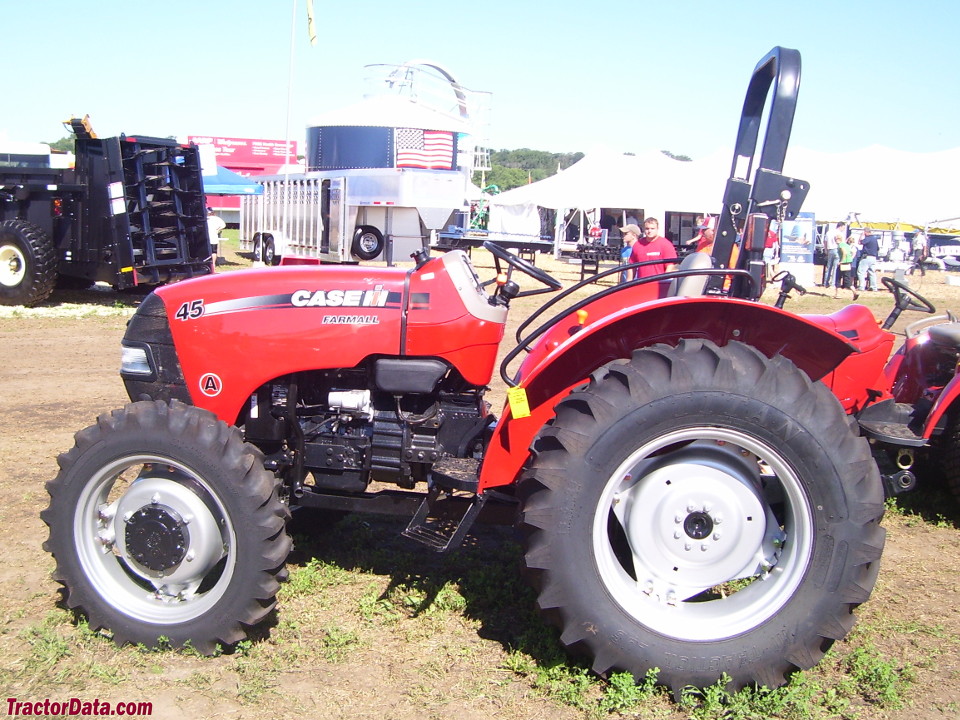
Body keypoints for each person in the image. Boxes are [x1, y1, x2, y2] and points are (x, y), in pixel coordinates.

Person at [836, 234, 859, 300]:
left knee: (838, 278)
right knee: (847, 279)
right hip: (848, 263)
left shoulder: (841, 245)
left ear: (838, 239)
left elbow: (844, 253)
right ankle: (854, 292)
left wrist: (841, 261)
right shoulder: (847, 245)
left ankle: (837, 294)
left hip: (843, 264)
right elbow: (851, 253)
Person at [822, 221, 844, 288]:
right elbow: (841, 243)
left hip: (829, 249)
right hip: (836, 249)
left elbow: (825, 241)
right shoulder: (839, 233)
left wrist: (826, 249)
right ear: (840, 226)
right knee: (835, 268)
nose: (843, 229)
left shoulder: (829, 232)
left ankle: (826, 283)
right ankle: (832, 284)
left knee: (829, 267)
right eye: (843, 227)